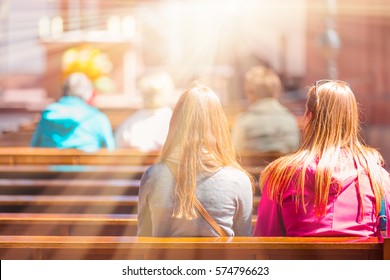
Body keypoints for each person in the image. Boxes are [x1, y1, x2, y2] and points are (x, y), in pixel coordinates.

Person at [254, 80, 390, 237]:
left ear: (309, 116)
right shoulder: (378, 178)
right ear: (353, 119)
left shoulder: (281, 176)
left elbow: (266, 241)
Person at [138, 83, 253, 237]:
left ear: (177, 123)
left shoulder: (154, 176)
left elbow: (143, 239)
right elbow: (243, 243)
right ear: (219, 124)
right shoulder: (238, 180)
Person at [31, 72, 115, 152]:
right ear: (88, 93)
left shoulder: (48, 114)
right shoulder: (97, 117)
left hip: (51, 166)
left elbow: (34, 146)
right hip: (88, 166)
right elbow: (109, 152)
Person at [231, 65, 300, 153]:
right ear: (276, 91)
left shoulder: (243, 121)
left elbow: (235, 153)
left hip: (251, 166)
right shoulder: (290, 119)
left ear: (250, 92)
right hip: (284, 166)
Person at [114, 72, 174, 151]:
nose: (152, 97)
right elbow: (119, 144)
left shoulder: (172, 119)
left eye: (155, 93)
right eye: (149, 93)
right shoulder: (132, 122)